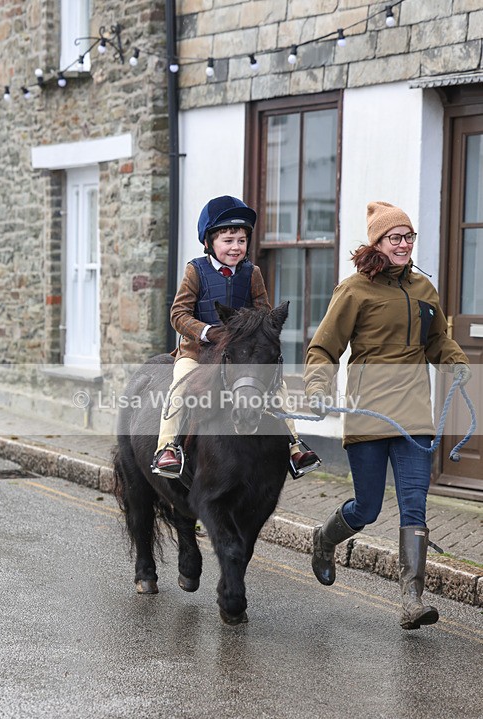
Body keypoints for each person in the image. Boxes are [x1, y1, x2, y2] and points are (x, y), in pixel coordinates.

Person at [303, 201, 471, 630]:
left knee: (415, 505)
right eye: (394, 237)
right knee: (368, 508)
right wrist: (318, 387)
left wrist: (457, 362)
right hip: (368, 414)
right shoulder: (355, 290)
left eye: (408, 237)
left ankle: (411, 600)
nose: (403, 244)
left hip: (414, 415)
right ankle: (325, 538)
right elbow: (324, 348)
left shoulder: (423, 290)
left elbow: (437, 343)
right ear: (376, 242)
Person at [152, 195, 321, 479]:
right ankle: (167, 448)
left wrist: (258, 331)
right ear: (209, 242)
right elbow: (178, 314)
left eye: (241, 240)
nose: (235, 247)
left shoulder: (252, 273)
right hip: (197, 352)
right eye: (228, 240)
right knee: (178, 389)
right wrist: (207, 332)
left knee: (277, 388)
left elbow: (264, 314)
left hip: (240, 355)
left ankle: (295, 446)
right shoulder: (196, 270)